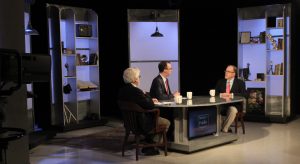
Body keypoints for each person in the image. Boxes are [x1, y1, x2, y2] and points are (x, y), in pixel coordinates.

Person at [118, 67, 170, 155]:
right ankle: (150, 146)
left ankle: (148, 141)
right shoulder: (136, 92)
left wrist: (145, 96)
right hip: (141, 123)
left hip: (129, 123)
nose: (140, 78)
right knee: (166, 122)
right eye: (139, 76)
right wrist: (148, 97)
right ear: (134, 79)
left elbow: (140, 102)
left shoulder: (121, 90)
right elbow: (150, 106)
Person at [150, 61, 179, 141]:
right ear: (164, 70)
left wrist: (174, 96)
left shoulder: (165, 80)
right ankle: (167, 139)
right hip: (158, 109)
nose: (171, 70)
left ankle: (170, 138)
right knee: (174, 115)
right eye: (170, 69)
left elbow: (168, 95)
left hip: (164, 107)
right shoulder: (157, 80)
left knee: (176, 113)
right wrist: (173, 95)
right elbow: (160, 97)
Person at [215, 65, 246, 133]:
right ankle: (221, 128)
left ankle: (224, 129)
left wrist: (231, 95)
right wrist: (221, 94)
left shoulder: (240, 83)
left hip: (235, 105)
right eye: (225, 71)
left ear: (234, 74)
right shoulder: (220, 82)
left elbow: (244, 94)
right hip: (222, 104)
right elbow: (215, 93)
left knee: (232, 110)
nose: (226, 73)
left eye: (228, 71)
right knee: (215, 109)